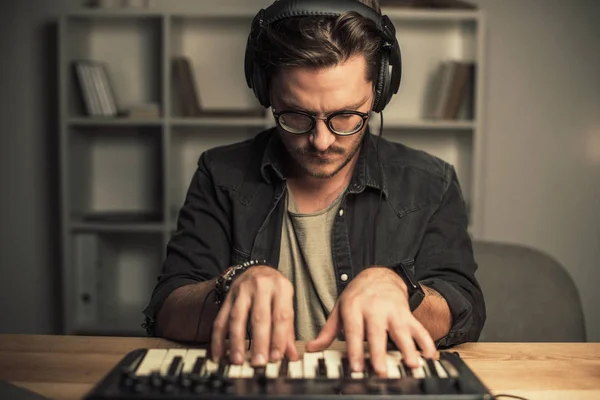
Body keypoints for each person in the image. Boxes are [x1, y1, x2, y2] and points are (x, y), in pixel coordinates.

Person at [142, 0, 486, 377]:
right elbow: (166, 310)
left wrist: (403, 293)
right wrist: (231, 284)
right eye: (295, 116)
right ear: (266, 91)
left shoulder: (431, 182)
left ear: (379, 92)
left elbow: (463, 307)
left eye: (346, 116)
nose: (321, 141)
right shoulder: (220, 173)